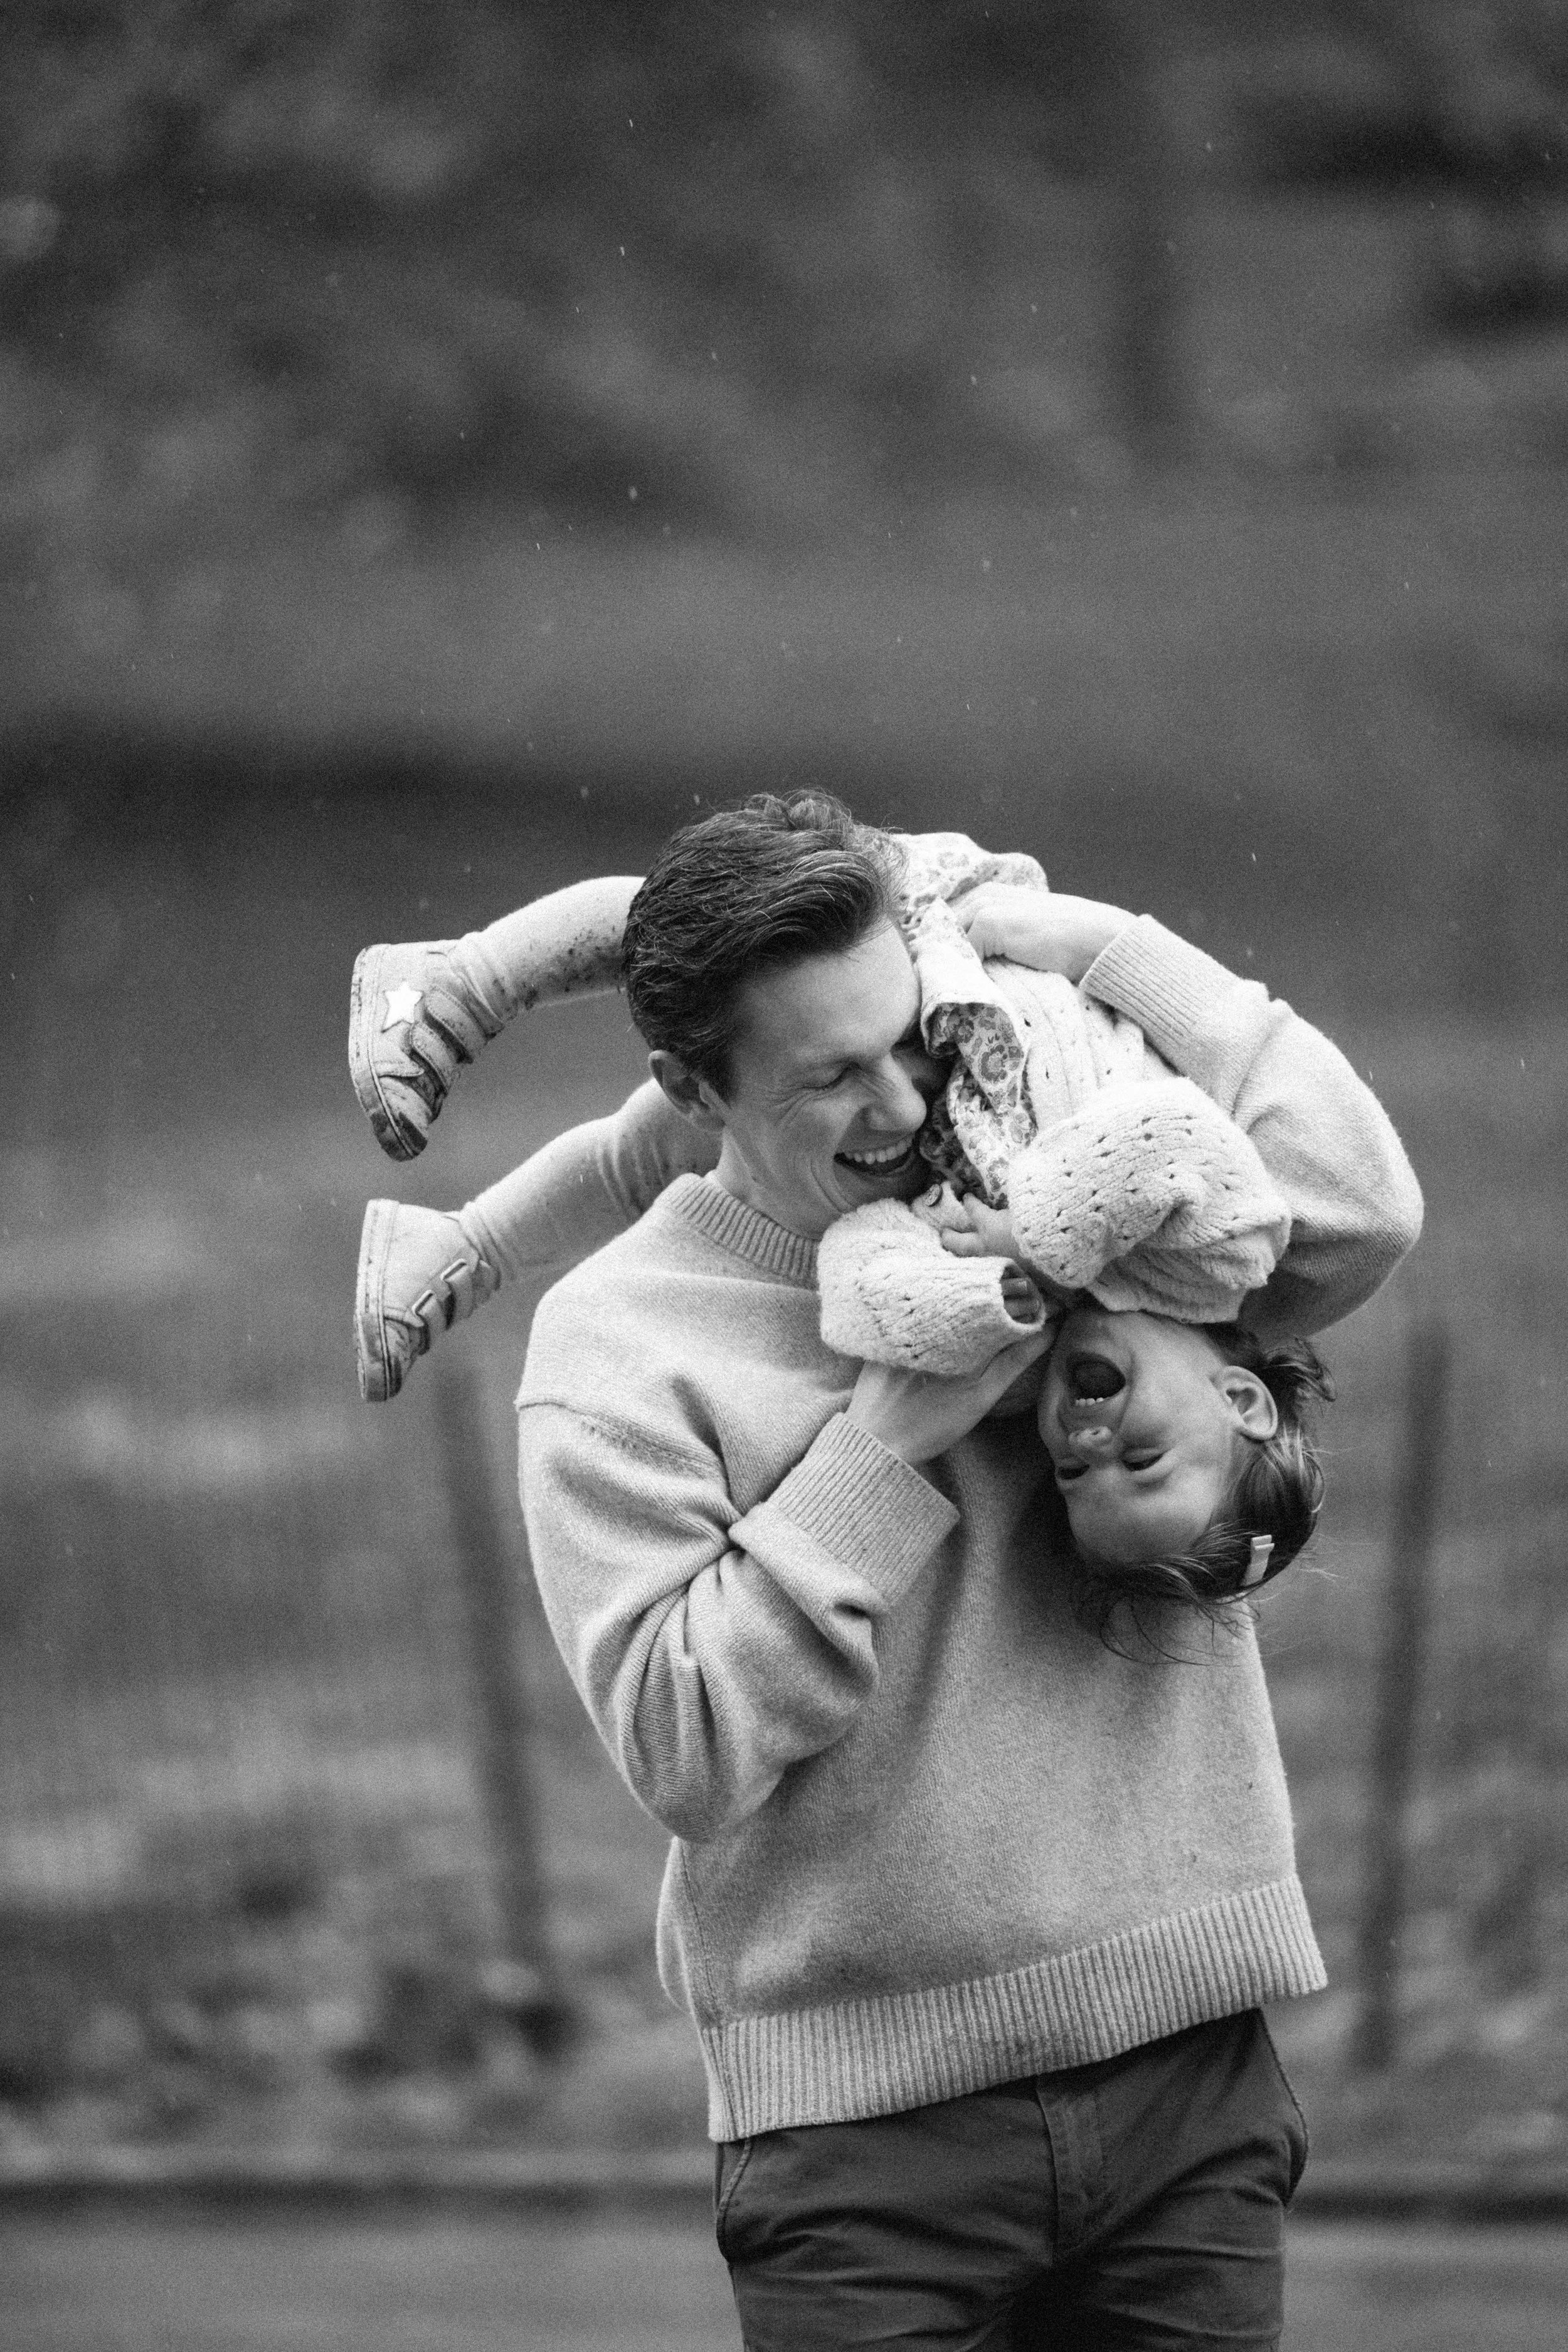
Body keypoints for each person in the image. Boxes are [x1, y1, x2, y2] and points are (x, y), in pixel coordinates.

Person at [373, 793, 1421, 2345]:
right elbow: (680, 1741)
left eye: (908, 1038)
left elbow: (1356, 1211)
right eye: (829, 1077)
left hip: (1184, 2083)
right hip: (861, 2158)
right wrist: (884, 1444)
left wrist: (1115, 955)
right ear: (690, 1085)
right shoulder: (615, 1348)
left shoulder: (1059, 1195)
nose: (901, 1100)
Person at [349, 816, 1414, 1604]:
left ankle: (457, 1244)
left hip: (929, 1073)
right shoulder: (1217, 1269)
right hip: (966, 959)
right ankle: (461, 981)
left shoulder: (1041, 1367)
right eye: (1137, 1457)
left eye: (1076, 1472)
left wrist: (984, 1301)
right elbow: (1340, 1200)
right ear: (1242, 1394)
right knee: (683, 934)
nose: (1086, 1441)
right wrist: (1105, 948)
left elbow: (881, 1287)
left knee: (648, 1141)